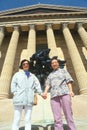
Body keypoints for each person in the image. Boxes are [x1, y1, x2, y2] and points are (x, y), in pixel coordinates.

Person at [43, 57, 76, 130]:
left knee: (68, 113)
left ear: (58, 63)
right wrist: (45, 92)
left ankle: (72, 128)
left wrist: (71, 91)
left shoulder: (64, 71)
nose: (54, 64)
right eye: (52, 63)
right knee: (56, 116)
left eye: (55, 62)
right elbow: (48, 84)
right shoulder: (50, 75)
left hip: (64, 93)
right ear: (51, 65)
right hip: (54, 96)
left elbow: (68, 81)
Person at [11, 59, 43, 130]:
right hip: (19, 98)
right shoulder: (17, 74)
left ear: (29, 65)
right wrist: (14, 93)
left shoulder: (32, 76)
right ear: (22, 66)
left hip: (29, 99)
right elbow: (13, 84)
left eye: (27, 64)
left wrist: (41, 93)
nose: (26, 65)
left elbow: (37, 84)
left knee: (28, 118)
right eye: (24, 64)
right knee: (17, 118)